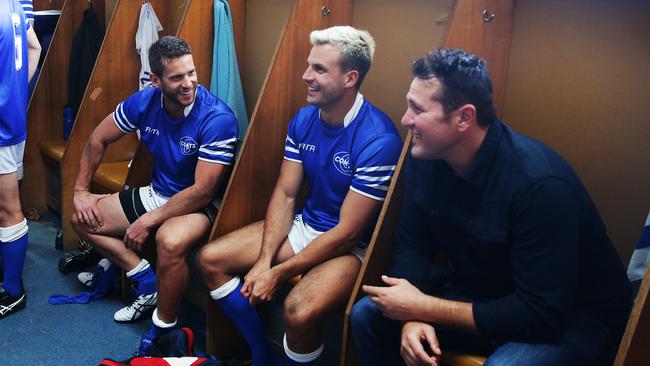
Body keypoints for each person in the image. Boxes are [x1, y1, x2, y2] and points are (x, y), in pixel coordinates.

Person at [349, 48, 634, 366]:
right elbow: (412, 244)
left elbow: (541, 316)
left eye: (418, 109)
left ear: (464, 118)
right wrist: (411, 317)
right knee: (367, 316)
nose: (405, 119)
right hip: (487, 291)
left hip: (568, 315)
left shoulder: (539, 186)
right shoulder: (428, 154)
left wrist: (423, 307)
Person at [197, 26, 402, 366]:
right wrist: (264, 261)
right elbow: (286, 192)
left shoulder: (378, 140)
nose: (306, 76)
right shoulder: (304, 119)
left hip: (352, 248)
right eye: (309, 65)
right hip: (308, 225)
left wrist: (276, 274)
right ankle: (263, 356)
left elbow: (349, 232)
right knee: (210, 260)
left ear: (351, 78)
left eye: (319, 69)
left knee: (297, 310)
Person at [70, 36, 238, 352]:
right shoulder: (144, 101)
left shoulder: (217, 118)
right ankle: (145, 280)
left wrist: (148, 221)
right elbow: (96, 139)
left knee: (169, 241)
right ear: (155, 80)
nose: (188, 83)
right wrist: (81, 191)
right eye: (177, 77)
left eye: (191, 73)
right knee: (82, 218)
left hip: (199, 207)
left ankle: (163, 331)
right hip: (157, 193)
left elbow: (202, 192)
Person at [0, 0, 42, 319]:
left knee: (8, 208)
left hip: (1, 129)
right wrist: (13, 93)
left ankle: (12, 291)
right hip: (12, 119)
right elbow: (33, 47)